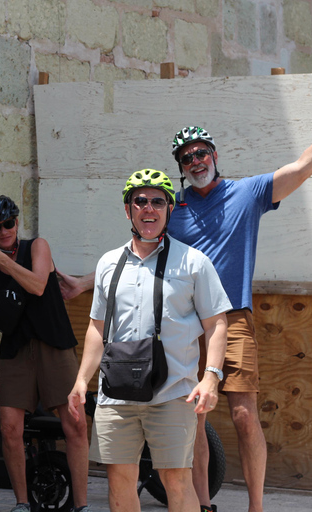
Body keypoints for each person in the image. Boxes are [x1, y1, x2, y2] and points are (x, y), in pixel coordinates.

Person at [58, 80, 312, 512]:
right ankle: (202, 505)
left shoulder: (247, 193)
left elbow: (301, 168)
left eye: (201, 152)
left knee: (243, 414)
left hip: (231, 316)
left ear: (215, 155)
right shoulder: (171, 205)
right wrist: (84, 282)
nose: (195, 160)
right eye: (186, 158)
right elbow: (137, 256)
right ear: (181, 167)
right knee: (195, 421)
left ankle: (256, 506)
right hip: (180, 320)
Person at [67, 169, 230, 512]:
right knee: (119, 480)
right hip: (116, 394)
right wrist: (82, 381)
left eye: (158, 201)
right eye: (139, 201)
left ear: (170, 209)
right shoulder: (109, 263)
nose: (148, 209)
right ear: (128, 210)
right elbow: (98, 327)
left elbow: (217, 323)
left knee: (176, 480)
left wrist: (211, 377)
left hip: (173, 393)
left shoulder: (193, 262)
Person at [0, 195, 90, 512]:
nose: (4, 231)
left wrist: (3, 261)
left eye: (9, 223)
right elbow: (3, 288)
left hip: (53, 342)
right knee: (9, 428)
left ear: (17, 221)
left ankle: (82, 505)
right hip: (16, 347)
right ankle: (22, 503)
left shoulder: (37, 246)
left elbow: (38, 285)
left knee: (75, 424)